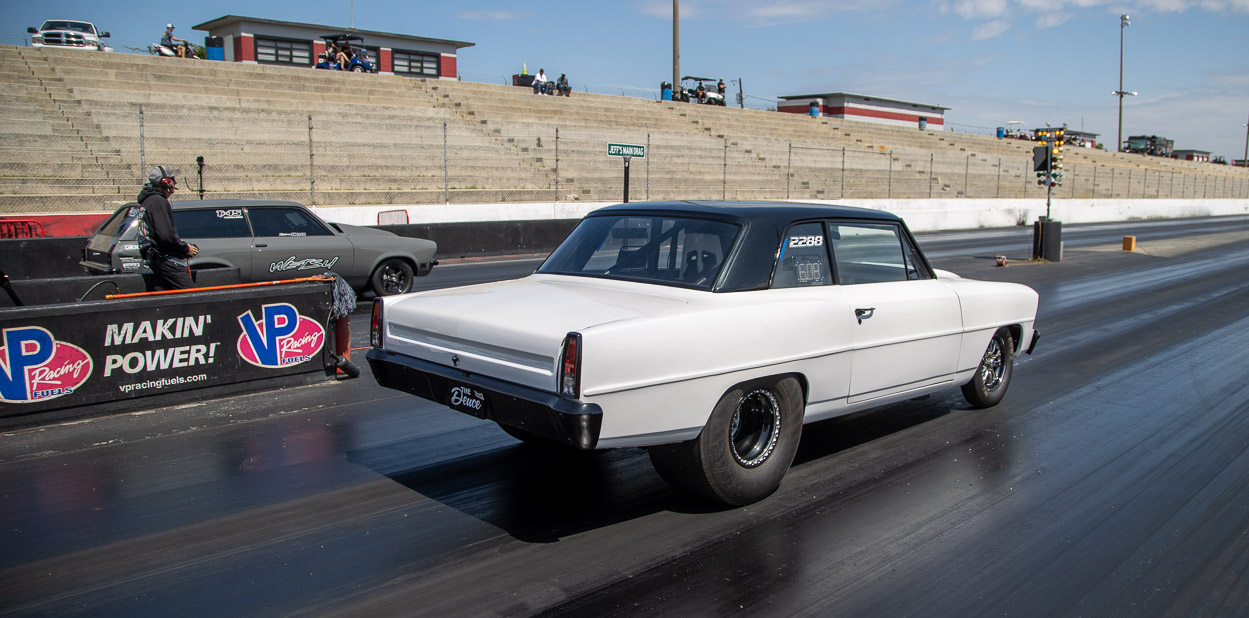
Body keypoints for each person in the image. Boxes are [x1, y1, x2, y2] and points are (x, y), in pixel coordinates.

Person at [136, 166, 198, 290]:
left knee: (165, 294)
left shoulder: (150, 200)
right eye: (173, 179)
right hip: (164, 259)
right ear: (166, 182)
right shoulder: (158, 201)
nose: (175, 183)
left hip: (156, 259)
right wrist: (185, 248)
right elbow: (166, 236)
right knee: (192, 295)